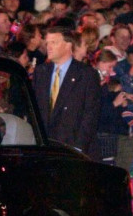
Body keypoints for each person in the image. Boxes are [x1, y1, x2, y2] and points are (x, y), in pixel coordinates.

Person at [33, 26, 101, 160]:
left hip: (73, 150)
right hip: (46, 149)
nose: (49, 47)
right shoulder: (41, 72)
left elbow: (90, 114)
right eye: (48, 43)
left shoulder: (86, 74)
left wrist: (78, 148)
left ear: (68, 45)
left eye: (54, 42)